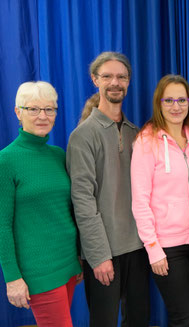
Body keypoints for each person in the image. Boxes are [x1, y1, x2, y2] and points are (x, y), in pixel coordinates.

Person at [66, 52, 150, 327]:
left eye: (121, 77)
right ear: (95, 80)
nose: (115, 82)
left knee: (138, 320)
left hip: (138, 248)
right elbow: (82, 201)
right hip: (104, 252)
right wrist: (98, 254)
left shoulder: (135, 132)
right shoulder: (83, 136)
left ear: (128, 82)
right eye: (108, 76)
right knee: (103, 322)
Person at [0, 81, 82, 326]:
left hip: (68, 263)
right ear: (18, 112)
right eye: (33, 109)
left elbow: (65, 211)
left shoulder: (58, 155)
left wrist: (77, 256)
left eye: (50, 109)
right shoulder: (6, 161)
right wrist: (12, 278)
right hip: (39, 271)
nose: (42, 116)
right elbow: (2, 226)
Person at [131, 74, 189, 327]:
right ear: (159, 103)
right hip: (167, 247)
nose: (176, 106)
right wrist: (153, 249)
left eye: (182, 100)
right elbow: (140, 200)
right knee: (182, 317)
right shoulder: (146, 141)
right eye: (169, 100)